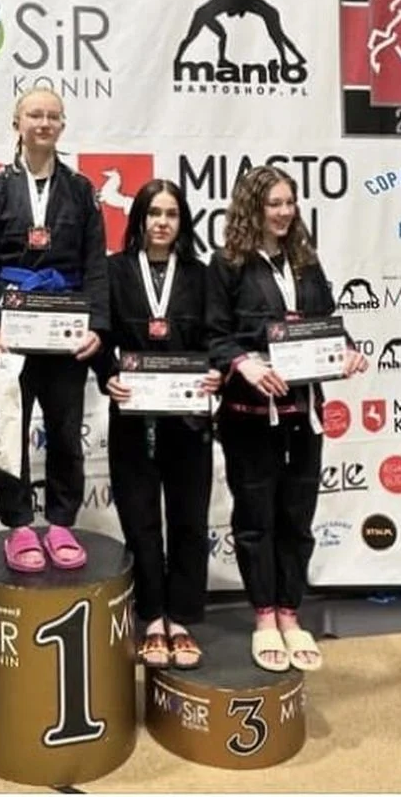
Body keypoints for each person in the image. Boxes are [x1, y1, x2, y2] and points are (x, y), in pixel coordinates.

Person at [205, 164, 367, 673]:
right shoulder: (227, 264)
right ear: (252, 207)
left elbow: (327, 323)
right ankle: (264, 617)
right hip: (249, 416)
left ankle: (290, 614)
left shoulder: (305, 261)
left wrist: (347, 350)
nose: (283, 212)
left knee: (297, 517)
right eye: (273, 203)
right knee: (256, 519)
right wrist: (244, 363)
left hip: (304, 414)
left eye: (289, 203)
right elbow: (214, 336)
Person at [0, 86, 109, 573]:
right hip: (11, 330)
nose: (44, 123)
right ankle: (20, 525)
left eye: (53, 116)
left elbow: (96, 263)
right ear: (17, 123)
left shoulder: (83, 190)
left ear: (62, 125)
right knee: (9, 430)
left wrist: (97, 325)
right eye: (35, 115)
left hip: (65, 328)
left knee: (66, 430)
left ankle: (62, 521)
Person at [93, 179, 221, 669]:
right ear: (139, 219)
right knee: (141, 519)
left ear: (182, 222)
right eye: (154, 213)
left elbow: (217, 336)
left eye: (171, 214)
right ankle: (150, 617)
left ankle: (182, 618)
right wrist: (107, 374)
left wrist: (218, 371)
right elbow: (99, 335)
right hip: (133, 414)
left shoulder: (201, 275)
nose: (162, 222)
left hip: (188, 417)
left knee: (189, 518)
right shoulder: (114, 271)